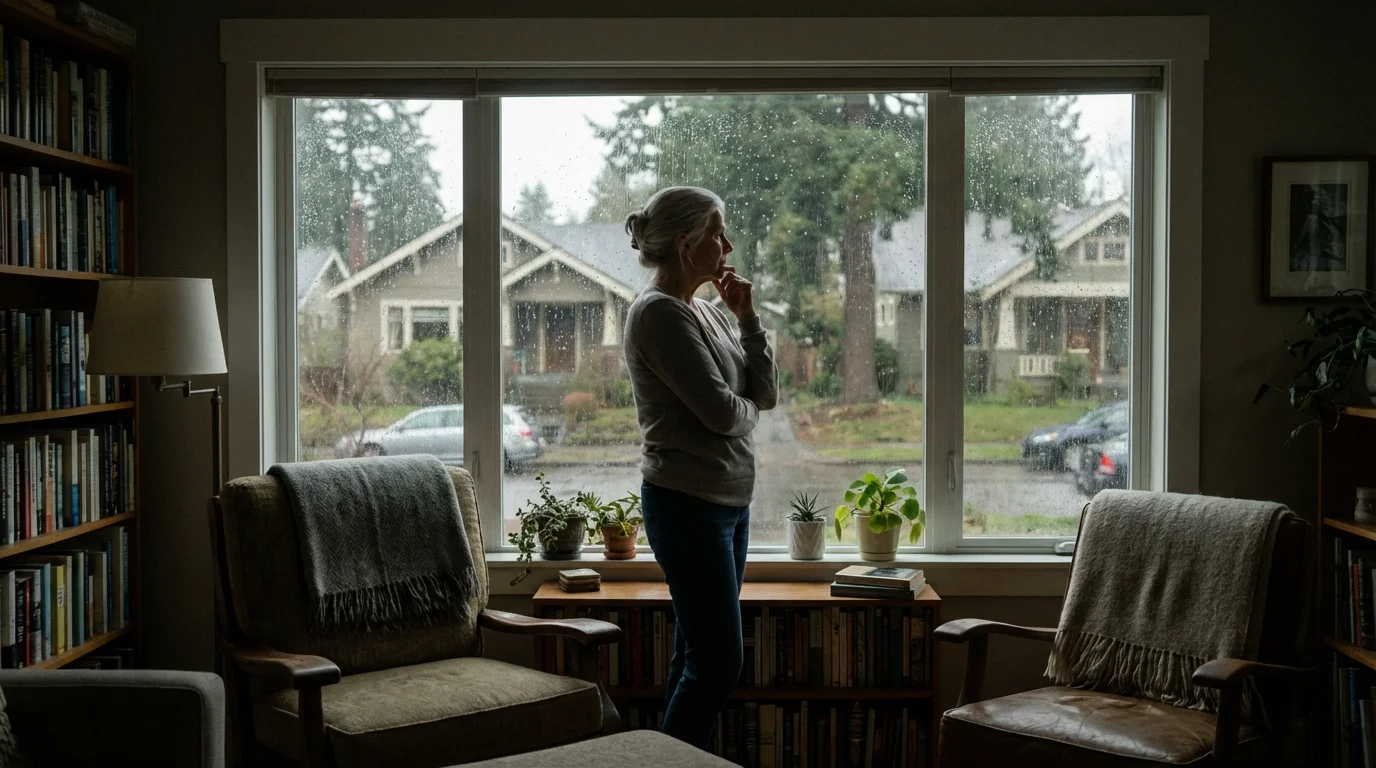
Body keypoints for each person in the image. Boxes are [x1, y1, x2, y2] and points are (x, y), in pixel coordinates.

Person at [622, 187, 778, 749]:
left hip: (728, 505)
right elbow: (721, 412)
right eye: (717, 232)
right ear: (687, 245)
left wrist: (749, 318)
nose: (728, 243)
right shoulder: (658, 314)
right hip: (686, 507)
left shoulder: (708, 312)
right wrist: (749, 409)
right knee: (718, 663)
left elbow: (765, 392)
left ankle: (675, 758)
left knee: (696, 653)